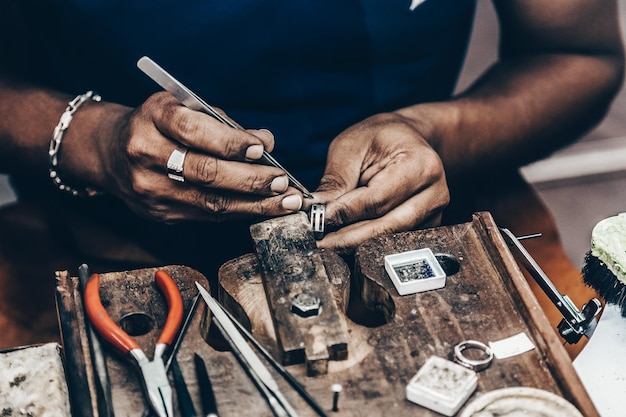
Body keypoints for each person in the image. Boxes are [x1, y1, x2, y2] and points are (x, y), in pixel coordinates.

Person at [0, 0, 623, 356]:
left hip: (425, 219)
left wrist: (438, 133)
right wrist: (91, 141)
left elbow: (579, 56)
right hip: (93, 242)